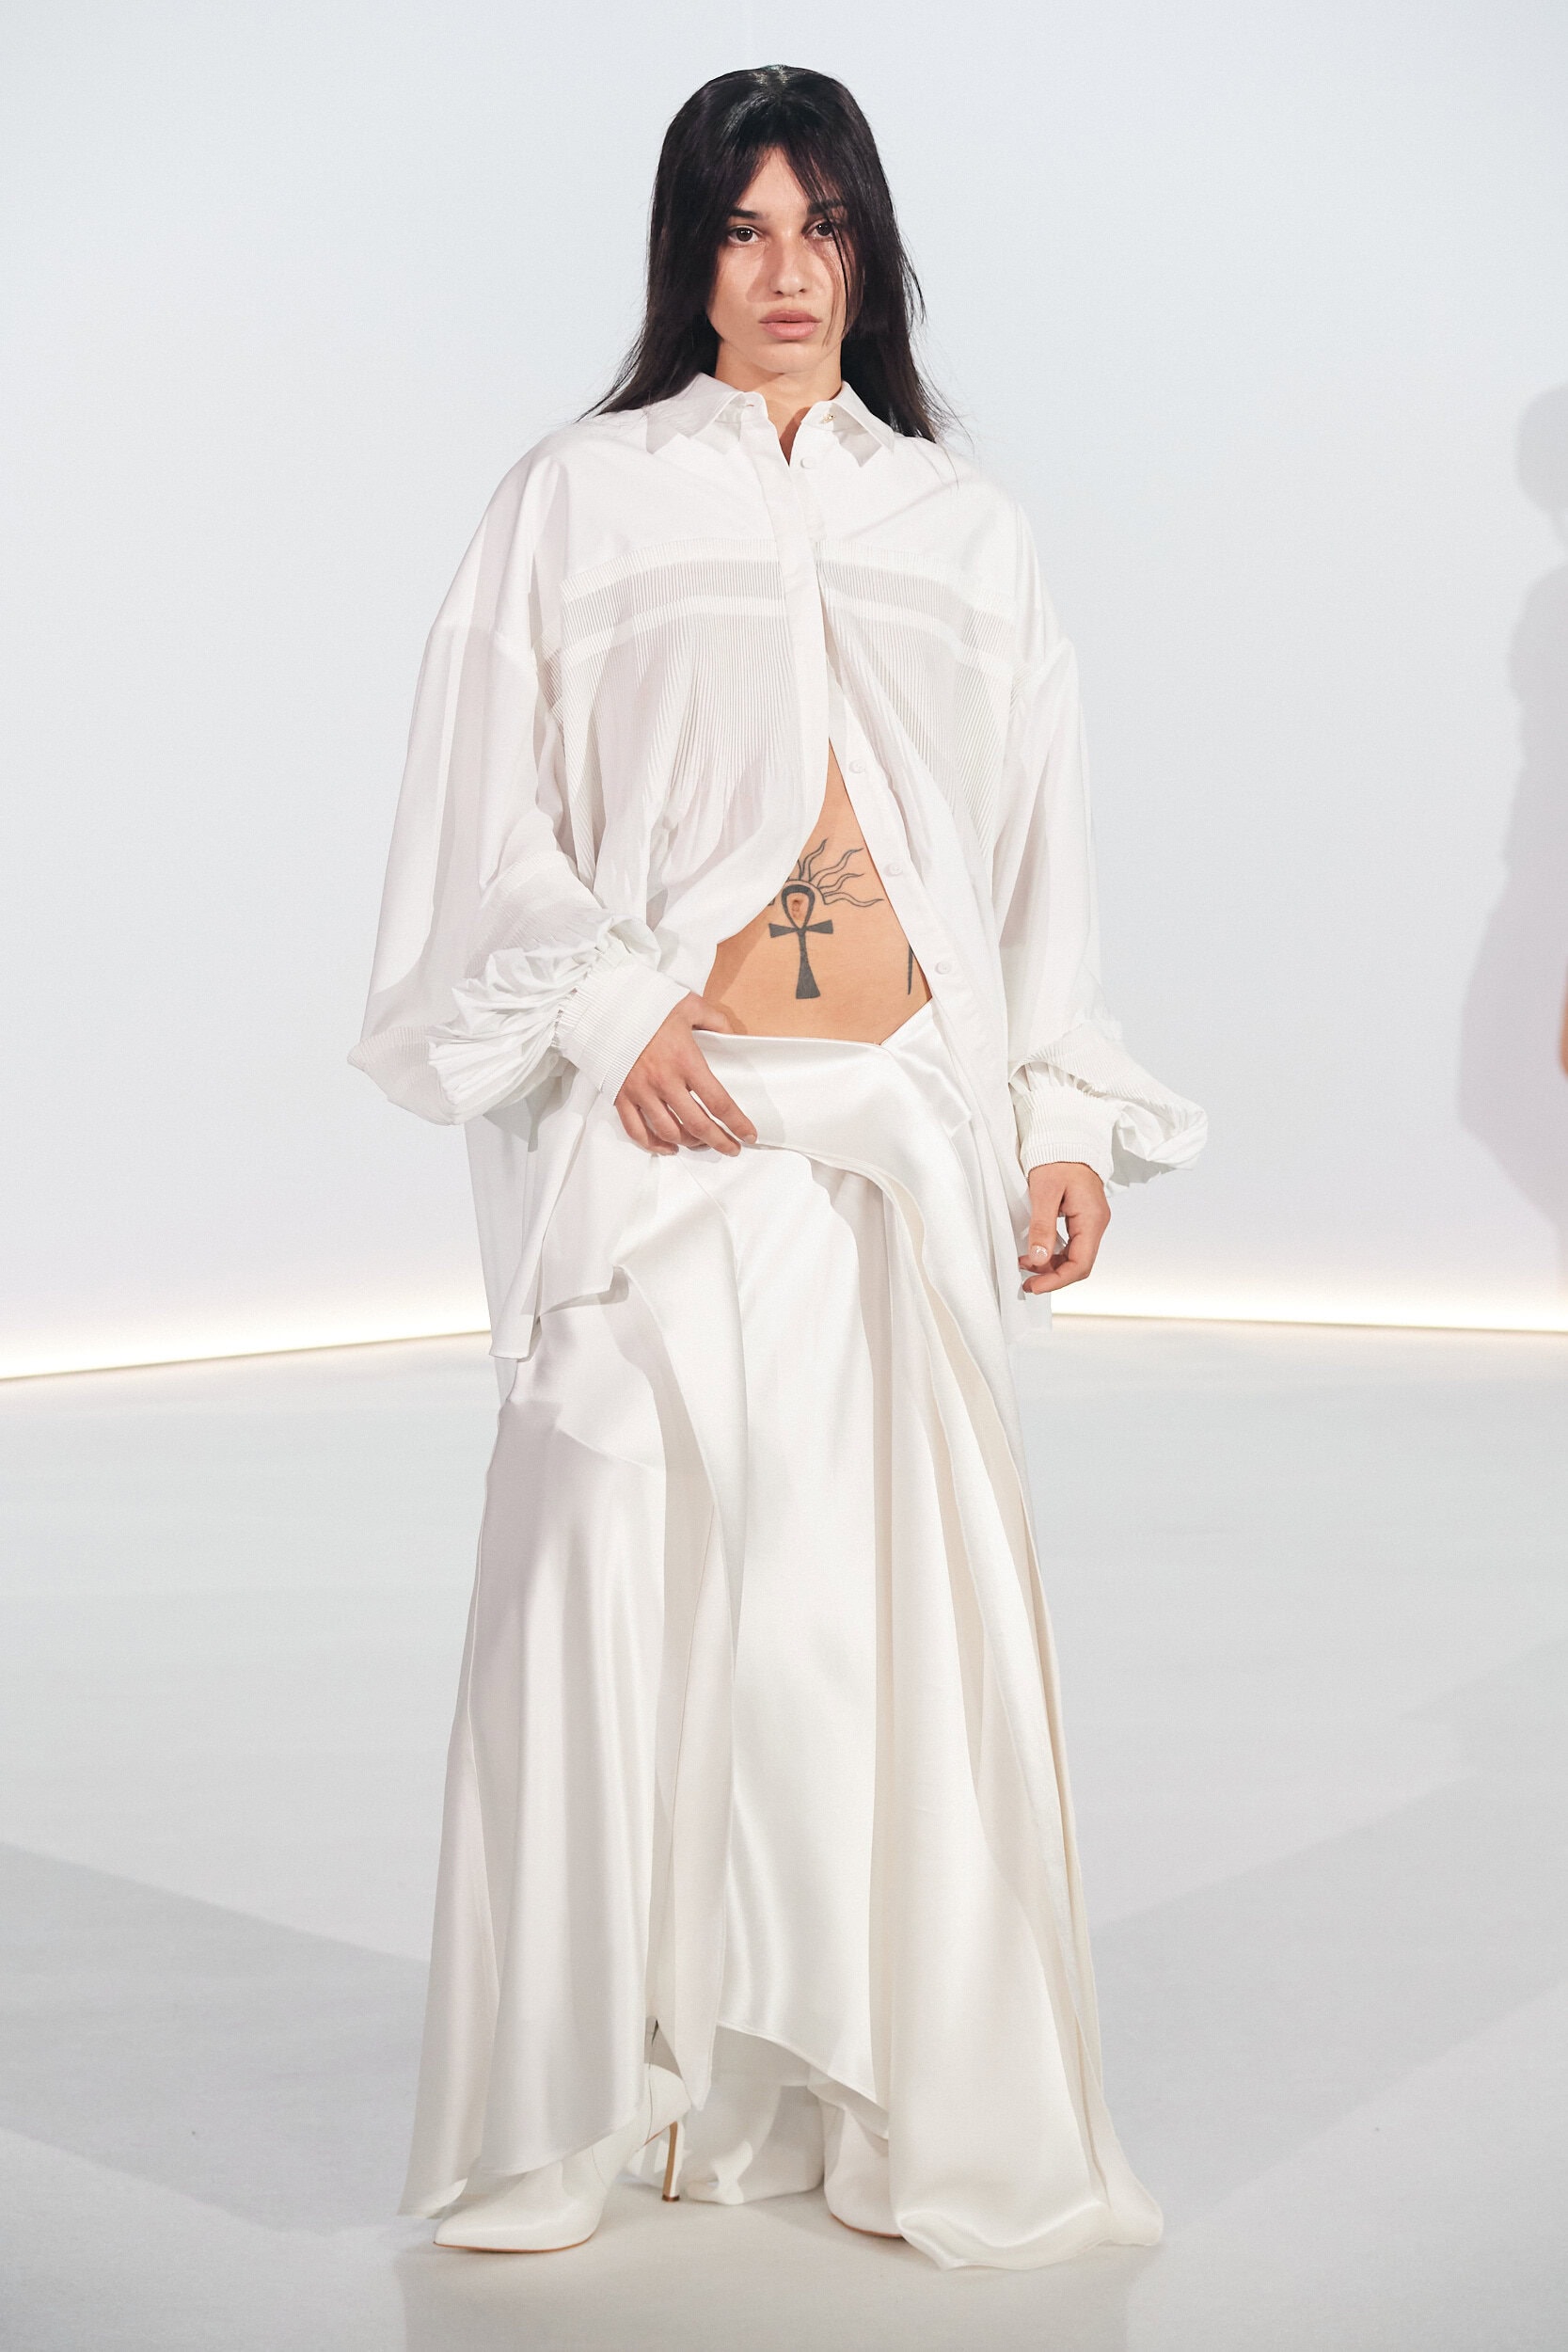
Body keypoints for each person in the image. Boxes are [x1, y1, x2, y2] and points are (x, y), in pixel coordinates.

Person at [350, 63, 1205, 2273]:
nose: (786, 272)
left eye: (821, 227)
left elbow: (1036, 863)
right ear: (687, 258)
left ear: (870, 252)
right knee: (602, 1582)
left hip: (894, 1156)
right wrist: (609, 1010)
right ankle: (583, 2104)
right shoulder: (578, 502)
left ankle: (859, 2092)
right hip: (666, 1136)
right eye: (742, 230)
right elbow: (483, 815)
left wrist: (1058, 1110)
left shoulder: (964, 532)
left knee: (857, 1640)